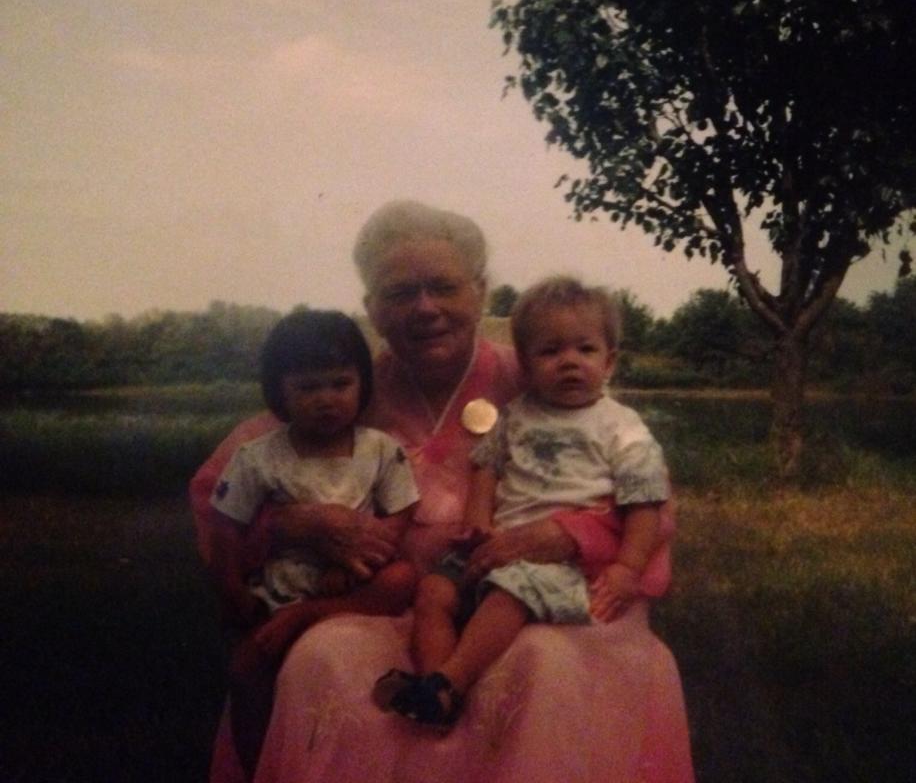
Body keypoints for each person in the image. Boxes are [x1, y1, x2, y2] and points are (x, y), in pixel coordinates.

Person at [190, 199, 694, 783]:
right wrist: (288, 525)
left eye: (444, 288)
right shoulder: (344, 389)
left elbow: (650, 500)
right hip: (383, 610)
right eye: (400, 293)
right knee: (321, 659)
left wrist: (564, 534)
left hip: (529, 605)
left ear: (480, 293)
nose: (424, 308)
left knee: (544, 663)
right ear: (372, 309)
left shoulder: (535, 373)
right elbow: (223, 491)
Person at [374, 277, 670, 727]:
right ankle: (434, 686)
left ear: (609, 361)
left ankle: (450, 683)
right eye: (550, 352)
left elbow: (645, 502)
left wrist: (628, 567)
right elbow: (486, 468)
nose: (569, 362)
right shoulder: (516, 414)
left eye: (585, 350)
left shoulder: (621, 428)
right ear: (526, 367)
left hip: (561, 567)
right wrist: (476, 524)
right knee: (433, 591)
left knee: (510, 594)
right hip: (497, 547)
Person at [207, 310, 419, 777]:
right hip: (280, 584)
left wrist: (371, 556)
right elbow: (224, 525)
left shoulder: (380, 450)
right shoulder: (259, 457)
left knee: (404, 577)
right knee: (247, 672)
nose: (326, 400)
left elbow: (402, 509)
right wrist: (231, 588)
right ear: (278, 391)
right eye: (308, 387)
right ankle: (259, 768)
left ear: (362, 383)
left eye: (340, 384)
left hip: (351, 583)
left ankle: (308, 618)